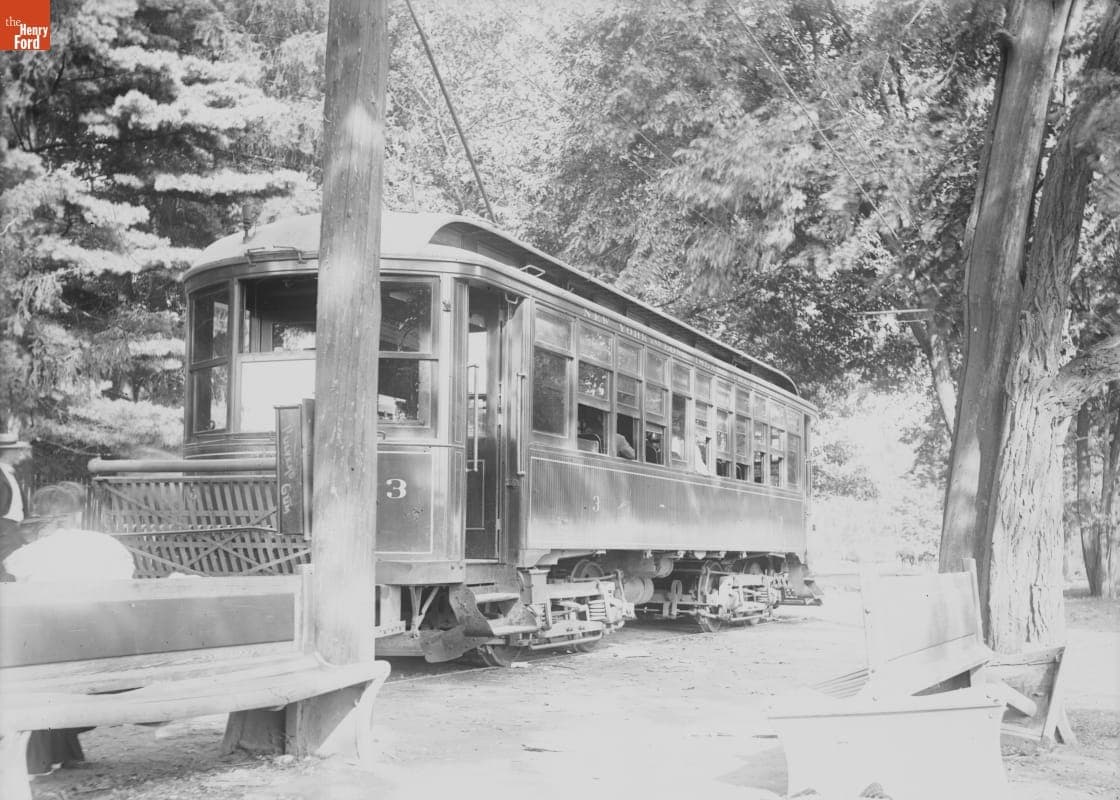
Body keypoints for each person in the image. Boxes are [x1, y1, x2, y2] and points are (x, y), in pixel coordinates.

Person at [0, 433, 31, 577]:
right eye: (16, 450)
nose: (19, 453)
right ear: (7, 452)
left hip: (14, 528)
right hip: (4, 528)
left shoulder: (10, 472)